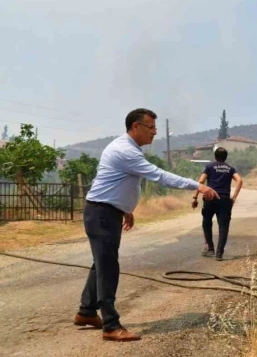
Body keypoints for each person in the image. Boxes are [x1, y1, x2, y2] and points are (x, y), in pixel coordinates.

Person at [74, 108, 219, 342]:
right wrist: (197, 186)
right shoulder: (125, 151)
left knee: (102, 263)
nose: (154, 133)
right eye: (150, 128)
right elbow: (159, 176)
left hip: (105, 211)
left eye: (155, 128)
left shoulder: (128, 149)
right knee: (108, 267)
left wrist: (125, 209)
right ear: (135, 127)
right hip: (101, 214)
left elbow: (118, 182)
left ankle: (86, 312)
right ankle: (111, 325)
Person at [191, 147, 243, 261]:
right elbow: (239, 180)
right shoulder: (230, 168)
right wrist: (233, 198)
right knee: (223, 227)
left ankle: (210, 249)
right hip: (224, 200)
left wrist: (195, 197)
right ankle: (219, 254)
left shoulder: (210, 167)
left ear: (215, 156)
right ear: (226, 157)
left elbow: (200, 182)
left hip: (210, 198)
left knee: (206, 223)